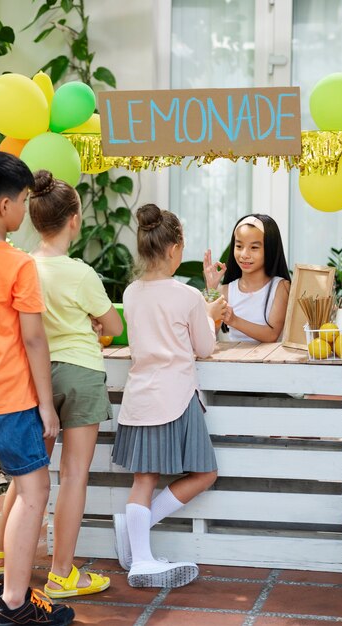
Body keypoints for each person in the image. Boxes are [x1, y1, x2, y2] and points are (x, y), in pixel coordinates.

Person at [0, 169, 124, 601]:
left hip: (33, 377)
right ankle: (63, 573)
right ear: (74, 220)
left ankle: (4, 555)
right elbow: (114, 326)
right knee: (74, 475)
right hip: (80, 372)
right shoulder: (81, 274)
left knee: (27, 478)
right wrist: (93, 320)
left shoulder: (22, 265)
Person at [0, 152, 74, 626]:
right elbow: (34, 338)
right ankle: (13, 606)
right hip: (6, 397)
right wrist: (47, 407)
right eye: (24, 200)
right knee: (33, 490)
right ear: (5, 206)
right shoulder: (17, 265)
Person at [112, 203, 226, 589]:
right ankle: (140, 555)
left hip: (140, 398)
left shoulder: (130, 293)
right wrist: (210, 313)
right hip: (176, 398)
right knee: (205, 473)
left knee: (144, 480)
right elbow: (206, 347)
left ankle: (135, 535)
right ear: (175, 249)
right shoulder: (188, 295)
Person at [203, 213, 291, 343]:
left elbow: (272, 334)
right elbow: (208, 336)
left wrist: (234, 320)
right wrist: (211, 289)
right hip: (234, 361)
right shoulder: (226, 290)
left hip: (269, 362)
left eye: (254, 247)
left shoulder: (281, 287)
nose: (244, 254)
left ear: (270, 249)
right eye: (239, 246)